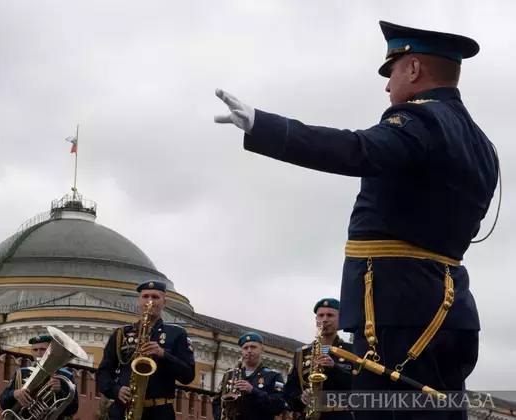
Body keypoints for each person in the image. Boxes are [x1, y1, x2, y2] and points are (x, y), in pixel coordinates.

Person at [214, 20, 499, 420]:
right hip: (450, 307)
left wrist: (265, 126)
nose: (387, 87)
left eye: (393, 72)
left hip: (396, 309)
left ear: (414, 69)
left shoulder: (420, 120)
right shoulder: (483, 143)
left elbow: (358, 148)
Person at [96, 280, 196, 420]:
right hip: (123, 411)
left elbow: (188, 375)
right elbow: (103, 372)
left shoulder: (177, 334)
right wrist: (115, 390)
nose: (150, 301)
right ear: (139, 301)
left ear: (164, 302)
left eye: (155, 297)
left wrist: (163, 355)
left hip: (159, 413)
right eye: (145, 296)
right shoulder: (121, 334)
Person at [284, 298, 354, 420]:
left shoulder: (352, 351)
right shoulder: (301, 353)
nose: (325, 319)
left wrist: (334, 368)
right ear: (316, 320)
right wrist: (300, 397)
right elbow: (289, 389)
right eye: (321, 315)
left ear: (340, 320)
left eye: (330, 315)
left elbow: (358, 386)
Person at [0, 334, 79, 419]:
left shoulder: (65, 376)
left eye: (43, 349)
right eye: (35, 350)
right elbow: (3, 403)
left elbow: (72, 409)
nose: (38, 353)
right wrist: (14, 393)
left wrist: (59, 392)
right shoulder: (21, 373)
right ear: (32, 352)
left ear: (51, 351)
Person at [211, 332, 286, 420]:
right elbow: (216, 402)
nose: (249, 351)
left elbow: (279, 405)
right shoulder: (230, 374)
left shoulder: (275, 375)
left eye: (253, 347)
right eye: (245, 348)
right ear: (242, 351)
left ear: (262, 349)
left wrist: (253, 391)